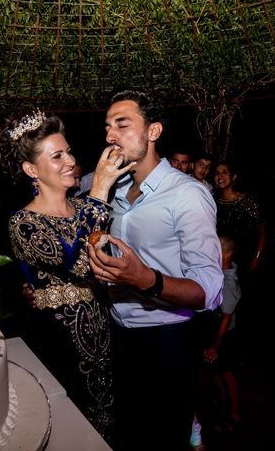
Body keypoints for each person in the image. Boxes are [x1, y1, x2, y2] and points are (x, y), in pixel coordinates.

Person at [88, 90, 224, 451]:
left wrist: (145, 279)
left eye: (122, 124)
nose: (110, 136)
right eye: (107, 127)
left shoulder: (188, 194)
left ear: (154, 131)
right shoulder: (113, 191)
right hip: (118, 337)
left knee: (163, 439)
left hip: (169, 344)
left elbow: (209, 290)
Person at [0, 110, 134, 438]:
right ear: (31, 169)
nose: (70, 160)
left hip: (103, 330)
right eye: (57, 156)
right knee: (68, 428)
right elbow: (78, 265)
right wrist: (100, 188)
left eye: (68, 151)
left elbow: (104, 268)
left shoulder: (88, 210)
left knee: (108, 423)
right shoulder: (24, 223)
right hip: (55, 341)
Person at [202, 234, 242, 433]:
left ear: (226, 254)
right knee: (214, 371)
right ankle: (223, 401)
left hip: (224, 334)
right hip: (216, 330)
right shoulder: (222, 271)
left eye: (216, 249)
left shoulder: (229, 282)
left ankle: (234, 413)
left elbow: (226, 316)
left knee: (227, 374)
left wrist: (216, 345)